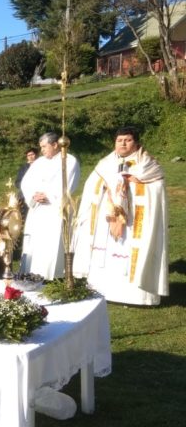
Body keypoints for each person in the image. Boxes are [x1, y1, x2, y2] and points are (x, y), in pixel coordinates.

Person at [73, 126, 169, 305]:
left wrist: (131, 184)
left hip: (135, 221)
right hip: (107, 220)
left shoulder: (148, 165)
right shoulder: (105, 164)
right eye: (119, 140)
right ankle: (102, 290)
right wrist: (109, 187)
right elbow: (91, 189)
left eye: (128, 140)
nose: (123, 143)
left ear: (136, 142)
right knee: (106, 254)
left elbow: (155, 191)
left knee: (131, 252)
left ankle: (136, 296)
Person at [19, 132, 80, 279]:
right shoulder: (39, 162)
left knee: (52, 244)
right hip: (37, 209)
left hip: (55, 209)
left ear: (55, 144)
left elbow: (68, 184)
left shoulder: (69, 161)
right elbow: (26, 182)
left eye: (44, 147)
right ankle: (31, 274)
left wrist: (48, 196)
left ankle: (53, 276)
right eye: (41, 147)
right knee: (35, 244)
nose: (42, 151)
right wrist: (33, 195)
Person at [15, 147, 38, 218]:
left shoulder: (41, 165)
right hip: (25, 195)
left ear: (36, 155)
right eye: (29, 155)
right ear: (27, 157)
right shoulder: (23, 168)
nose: (31, 157)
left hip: (38, 194)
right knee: (25, 215)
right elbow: (17, 182)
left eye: (32, 154)